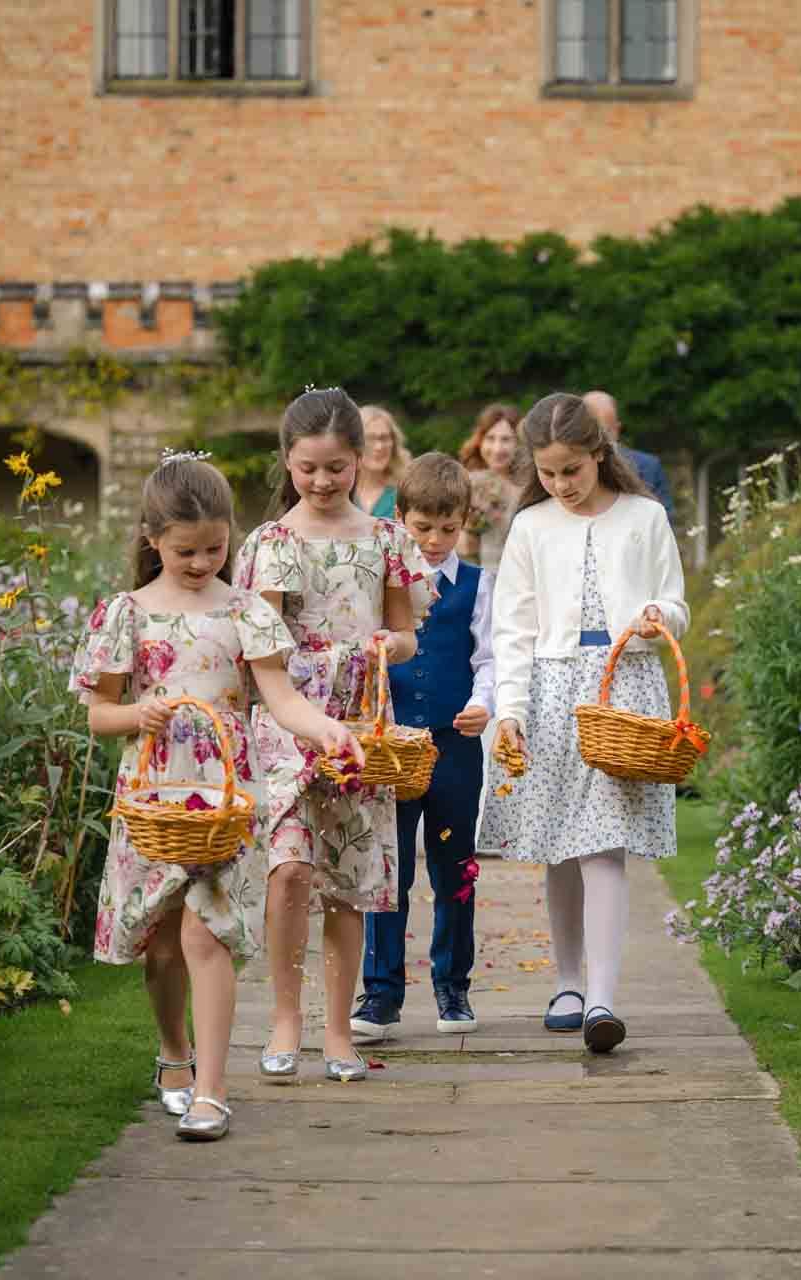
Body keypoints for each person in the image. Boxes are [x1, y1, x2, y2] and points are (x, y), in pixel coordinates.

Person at [71, 451, 364, 1141]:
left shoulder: (246, 612)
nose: (203, 562)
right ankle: (174, 1052)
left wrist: (326, 731)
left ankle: (211, 1088)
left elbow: (281, 696)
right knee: (165, 944)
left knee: (208, 935)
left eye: (214, 548)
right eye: (185, 551)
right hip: (155, 791)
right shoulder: (126, 614)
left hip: (227, 792)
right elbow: (97, 713)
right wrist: (137, 714)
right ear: (151, 539)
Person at [476, 392, 688, 1054]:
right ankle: (567, 980)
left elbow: (676, 601)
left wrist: (658, 615)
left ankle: (601, 996)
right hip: (549, 689)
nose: (561, 485)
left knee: (604, 842)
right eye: (547, 473)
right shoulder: (533, 528)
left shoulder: (645, 517)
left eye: (572, 470)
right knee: (560, 847)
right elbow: (513, 628)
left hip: (624, 687)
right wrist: (508, 712)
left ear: (601, 454)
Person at [238, 388, 436, 1084]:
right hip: (290, 717)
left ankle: (338, 1030)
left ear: (360, 460)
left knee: (350, 883)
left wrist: (390, 643)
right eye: (307, 468)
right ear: (287, 463)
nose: (322, 482)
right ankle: (284, 1018)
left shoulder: (384, 540)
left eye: (336, 467)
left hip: (359, 722)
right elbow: (261, 655)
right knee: (290, 869)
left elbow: (408, 634)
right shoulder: (271, 545)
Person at [350, 453, 496, 1042]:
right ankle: (381, 993)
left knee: (454, 867)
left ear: (464, 522)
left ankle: (452, 987)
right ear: (399, 519)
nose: (435, 541)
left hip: (454, 745)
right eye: (422, 528)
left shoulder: (479, 588)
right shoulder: (382, 586)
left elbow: (488, 658)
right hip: (391, 747)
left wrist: (483, 704)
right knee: (388, 868)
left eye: (448, 528)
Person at [583, 390, 674, 523]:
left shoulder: (649, 466)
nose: (600, 440)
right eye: (593, 432)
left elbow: (664, 522)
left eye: (606, 431)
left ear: (617, 428)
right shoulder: (568, 470)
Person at [456, 402, 522, 572]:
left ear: (518, 443)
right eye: (490, 438)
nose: (497, 448)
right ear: (480, 441)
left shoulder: (529, 488)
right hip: (475, 577)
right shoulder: (465, 484)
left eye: (506, 439)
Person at [353, 404, 409, 518]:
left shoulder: (406, 491)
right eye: (370, 438)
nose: (379, 446)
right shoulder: (341, 490)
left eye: (384, 438)